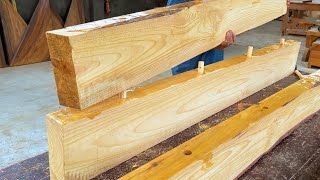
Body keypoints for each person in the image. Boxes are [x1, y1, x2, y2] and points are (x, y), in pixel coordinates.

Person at [167, 0, 236, 75]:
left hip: (213, 56)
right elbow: (176, 38)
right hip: (187, 59)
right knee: (187, 80)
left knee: (213, 77)